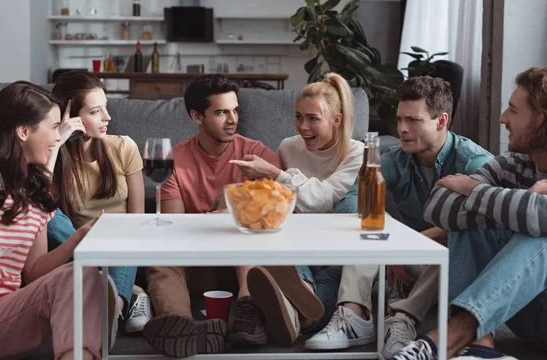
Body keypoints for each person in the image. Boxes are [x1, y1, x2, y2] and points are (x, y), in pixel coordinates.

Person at [310, 76, 492, 357]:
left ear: (441, 121)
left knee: (455, 239)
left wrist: (410, 244)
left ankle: (403, 318)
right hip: (404, 265)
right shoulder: (396, 158)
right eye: (399, 119)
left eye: (414, 120)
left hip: (450, 269)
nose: (402, 129)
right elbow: (351, 201)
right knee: (366, 221)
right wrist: (384, 241)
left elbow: (485, 228)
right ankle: (354, 315)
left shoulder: (474, 163)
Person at [391, 67, 547, 360]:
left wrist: (474, 191)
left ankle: (449, 337)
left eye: (513, 110)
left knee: (540, 238)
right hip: (521, 311)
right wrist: (523, 205)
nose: (503, 118)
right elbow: (439, 207)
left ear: (541, 119)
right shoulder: (512, 163)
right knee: (468, 223)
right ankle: (479, 348)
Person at [0, 82, 107, 360]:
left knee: (81, 275)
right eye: (54, 127)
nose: (59, 138)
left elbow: (33, 271)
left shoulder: (37, 192)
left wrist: (79, 236)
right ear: (23, 131)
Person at [142, 74, 281, 357]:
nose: (232, 119)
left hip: (245, 269)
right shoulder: (174, 160)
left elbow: (272, 215)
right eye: (221, 112)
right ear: (197, 116)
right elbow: (174, 228)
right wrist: (223, 214)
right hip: (197, 265)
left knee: (244, 221)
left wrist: (230, 207)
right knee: (159, 257)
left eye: (234, 110)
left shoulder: (256, 154)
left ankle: (247, 315)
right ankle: (183, 327)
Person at [229, 72, 364, 345]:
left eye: (313, 118)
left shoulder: (356, 153)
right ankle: (301, 311)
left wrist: (277, 174)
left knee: (333, 279)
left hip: (335, 248)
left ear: (336, 121)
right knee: (287, 255)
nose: (303, 126)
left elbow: (325, 198)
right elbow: (279, 200)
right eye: (298, 116)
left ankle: (297, 315)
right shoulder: (288, 147)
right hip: (297, 242)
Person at [49, 71, 151, 334]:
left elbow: (137, 220)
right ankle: (133, 293)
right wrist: (57, 143)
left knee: (126, 228)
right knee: (48, 217)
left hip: (122, 245)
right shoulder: (54, 157)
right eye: (95, 111)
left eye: (105, 108)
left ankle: (113, 308)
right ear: (70, 115)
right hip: (77, 247)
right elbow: (39, 207)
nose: (108, 117)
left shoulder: (124, 147)